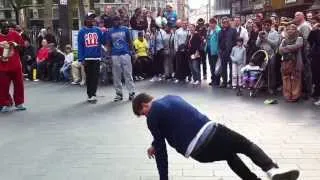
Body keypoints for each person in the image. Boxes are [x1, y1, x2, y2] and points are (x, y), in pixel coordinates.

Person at [132, 93, 300, 180]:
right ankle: (271, 170)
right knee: (246, 145)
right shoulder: (172, 98)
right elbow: (174, 123)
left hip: (199, 153)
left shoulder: (153, 114)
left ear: (144, 105)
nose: (146, 117)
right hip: (212, 131)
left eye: (143, 113)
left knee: (229, 154)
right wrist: (156, 142)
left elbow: (161, 150)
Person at [105, 16, 135, 102]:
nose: (116, 22)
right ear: (112, 22)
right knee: (116, 75)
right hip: (115, 55)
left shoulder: (125, 29)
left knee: (128, 74)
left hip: (125, 54)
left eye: (118, 20)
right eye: (115, 20)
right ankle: (119, 94)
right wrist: (108, 56)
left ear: (120, 21)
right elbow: (108, 45)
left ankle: (131, 92)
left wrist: (133, 52)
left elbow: (130, 42)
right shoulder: (110, 31)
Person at [0, 20, 26, 113]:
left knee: (19, 84)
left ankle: (19, 103)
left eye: (7, 26)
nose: (6, 29)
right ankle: (5, 103)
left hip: (15, 65)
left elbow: (23, 48)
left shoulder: (15, 34)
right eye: (4, 27)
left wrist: (16, 45)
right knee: (3, 86)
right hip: (2, 66)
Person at [78, 12, 104, 103]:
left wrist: (105, 32)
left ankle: (93, 94)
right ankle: (90, 94)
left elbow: (103, 41)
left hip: (96, 57)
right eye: (90, 18)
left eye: (93, 18)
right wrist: (81, 59)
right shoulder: (82, 32)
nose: (92, 20)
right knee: (89, 77)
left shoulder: (98, 30)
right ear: (86, 20)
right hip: (87, 59)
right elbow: (80, 46)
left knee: (95, 77)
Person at [279, 24, 303, 102]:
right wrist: (289, 48)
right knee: (286, 78)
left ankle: (295, 96)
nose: (290, 30)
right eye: (288, 29)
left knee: (295, 78)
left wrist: (286, 48)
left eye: (292, 29)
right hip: (285, 61)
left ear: (296, 30)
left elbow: (297, 46)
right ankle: (287, 95)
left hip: (295, 61)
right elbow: (280, 50)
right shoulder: (284, 40)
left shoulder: (299, 38)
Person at [256, 19, 280, 94]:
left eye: (268, 25)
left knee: (271, 70)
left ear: (271, 25)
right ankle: (264, 85)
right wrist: (260, 37)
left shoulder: (275, 33)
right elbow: (257, 44)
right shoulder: (261, 33)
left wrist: (266, 39)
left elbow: (276, 44)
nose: (266, 26)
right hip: (263, 54)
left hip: (272, 53)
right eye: (265, 25)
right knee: (263, 70)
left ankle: (272, 87)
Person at [295, 11, 313, 100]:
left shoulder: (304, 26)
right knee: (303, 71)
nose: (296, 17)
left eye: (297, 15)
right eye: (295, 15)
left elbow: (306, 40)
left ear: (302, 16)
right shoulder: (300, 26)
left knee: (307, 71)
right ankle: (304, 90)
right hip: (301, 51)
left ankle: (308, 92)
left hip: (305, 51)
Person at [219, 17, 237, 88]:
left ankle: (231, 82)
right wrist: (220, 50)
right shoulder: (220, 31)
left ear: (228, 22)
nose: (225, 23)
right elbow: (219, 41)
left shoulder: (233, 30)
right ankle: (224, 82)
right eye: (223, 22)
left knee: (231, 68)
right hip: (223, 52)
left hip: (231, 52)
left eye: (226, 22)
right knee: (223, 68)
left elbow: (235, 41)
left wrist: (234, 51)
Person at [308, 16, 320, 106]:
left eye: (314, 22)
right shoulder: (315, 32)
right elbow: (310, 40)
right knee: (316, 77)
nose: (313, 24)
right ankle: (317, 94)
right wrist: (313, 30)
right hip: (316, 57)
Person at [206, 18, 221, 86]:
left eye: (212, 23)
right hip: (209, 49)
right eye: (210, 23)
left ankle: (217, 80)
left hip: (215, 51)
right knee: (211, 65)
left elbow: (219, 41)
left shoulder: (218, 30)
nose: (210, 25)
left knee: (216, 66)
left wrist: (218, 50)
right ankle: (213, 79)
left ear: (215, 23)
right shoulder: (209, 30)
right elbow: (208, 38)